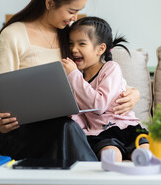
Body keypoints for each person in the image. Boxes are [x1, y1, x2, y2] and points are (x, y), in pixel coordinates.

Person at [0, 0, 140, 162]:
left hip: (66, 127)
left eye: (79, 11)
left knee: (69, 127)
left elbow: (100, 76)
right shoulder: (14, 35)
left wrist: (134, 93)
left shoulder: (71, 38)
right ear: (50, 3)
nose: (75, 17)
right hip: (20, 132)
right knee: (67, 128)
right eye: (71, 11)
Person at [62, 16, 149, 162]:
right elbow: (80, 115)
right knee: (111, 156)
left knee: (145, 156)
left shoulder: (110, 68)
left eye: (81, 44)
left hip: (128, 127)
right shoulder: (76, 79)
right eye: (71, 44)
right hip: (101, 134)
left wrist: (73, 74)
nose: (73, 49)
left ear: (100, 48)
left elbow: (98, 105)